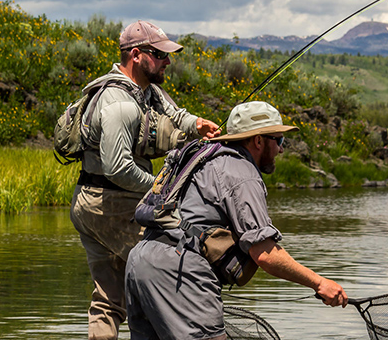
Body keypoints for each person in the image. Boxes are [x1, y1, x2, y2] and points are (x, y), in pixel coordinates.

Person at [125, 101, 348, 340]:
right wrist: (319, 283)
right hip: (179, 270)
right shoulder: (241, 171)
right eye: (279, 140)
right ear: (258, 141)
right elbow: (264, 253)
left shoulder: (204, 158)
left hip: (140, 260)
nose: (281, 149)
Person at [69, 20, 221, 340]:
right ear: (136, 55)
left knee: (108, 299)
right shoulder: (120, 104)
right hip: (107, 203)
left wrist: (199, 125)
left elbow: (174, 115)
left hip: (92, 201)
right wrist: (161, 188)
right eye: (161, 55)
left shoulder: (146, 90)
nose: (168, 61)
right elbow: (118, 168)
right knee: (171, 266)